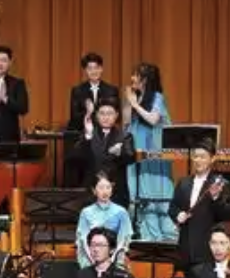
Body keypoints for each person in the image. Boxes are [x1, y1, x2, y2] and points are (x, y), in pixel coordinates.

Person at [124, 63, 172, 237]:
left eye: (135, 75)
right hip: (136, 145)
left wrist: (134, 104)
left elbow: (153, 119)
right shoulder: (136, 96)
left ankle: (158, 231)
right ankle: (140, 228)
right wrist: (129, 103)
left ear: (144, 80)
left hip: (151, 148)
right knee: (136, 187)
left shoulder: (157, 97)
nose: (132, 78)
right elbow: (127, 122)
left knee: (152, 187)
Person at [170, 146, 230, 275]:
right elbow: (173, 207)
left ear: (212, 158)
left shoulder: (221, 183)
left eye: (203, 157)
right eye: (195, 156)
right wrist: (178, 214)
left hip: (208, 248)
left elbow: (226, 215)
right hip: (186, 248)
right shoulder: (183, 182)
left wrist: (215, 198)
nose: (198, 160)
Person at [63, 53, 117, 183]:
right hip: (84, 138)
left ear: (101, 69)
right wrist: (88, 113)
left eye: (96, 67)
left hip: (104, 137)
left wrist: (99, 116)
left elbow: (116, 115)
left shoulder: (111, 90)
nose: (94, 71)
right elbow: (74, 117)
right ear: (85, 71)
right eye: (90, 68)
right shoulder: (77, 90)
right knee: (83, 176)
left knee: (103, 175)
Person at [73, 104, 132, 207]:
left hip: (116, 191)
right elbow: (77, 156)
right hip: (92, 190)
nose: (106, 117)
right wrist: (88, 136)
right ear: (96, 115)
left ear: (116, 115)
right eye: (102, 113)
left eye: (109, 113)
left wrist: (119, 153)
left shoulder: (125, 135)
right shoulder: (89, 133)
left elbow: (130, 157)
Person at [75, 174, 133, 268]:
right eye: (101, 188)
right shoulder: (86, 212)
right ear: (94, 190)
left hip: (114, 258)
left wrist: (111, 260)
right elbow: (83, 240)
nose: (105, 191)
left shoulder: (121, 212)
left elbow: (123, 240)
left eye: (108, 187)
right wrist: (93, 261)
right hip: (91, 258)